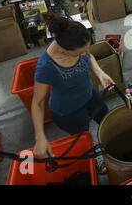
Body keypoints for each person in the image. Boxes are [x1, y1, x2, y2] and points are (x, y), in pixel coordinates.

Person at [32, 13, 114, 158]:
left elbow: (88, 55)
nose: (84, 54)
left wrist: (99, 73)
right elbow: (37, 102)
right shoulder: (46, 67)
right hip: (69, 111)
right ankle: (92, 160)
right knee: (84, 139)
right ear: (63, 50)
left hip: (90, 95)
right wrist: (40, 137)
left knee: (108, 121)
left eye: (85, 49)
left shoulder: (77, 42)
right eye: (79, 53)